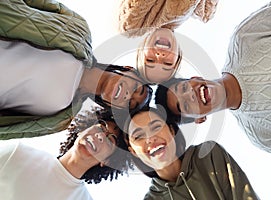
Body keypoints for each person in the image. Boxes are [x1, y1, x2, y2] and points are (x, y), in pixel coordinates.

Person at [155, 0, 271, 156]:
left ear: (195, 77)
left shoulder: (244, 39)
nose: (190, 95)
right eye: (185, 105)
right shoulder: (262, 135)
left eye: (183, 88)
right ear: (199, 119)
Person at [0, 0, 152, 139]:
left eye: (129, 103)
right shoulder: (79, 29)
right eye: (136, 88)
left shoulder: (59, 121)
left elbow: (7, 130)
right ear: (129, 70)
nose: (127, 95)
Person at [124, 108, 259, 199]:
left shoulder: (208, 155)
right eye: (138, 136)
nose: (150, 138)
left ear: (171, 130)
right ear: (133, 151)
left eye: (156, 127)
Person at [0, 107, 133, 200]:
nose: (99, 136)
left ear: (107, 161)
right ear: (82, 130)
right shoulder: (17, 153)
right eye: (101, 127)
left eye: (110, 140)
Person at [118, 0, 218, 84]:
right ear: (178, 55)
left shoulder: (132, 26)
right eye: (167, 63)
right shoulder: (204, 12)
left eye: (150, 60)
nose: (159, 55)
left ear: (141, 50)